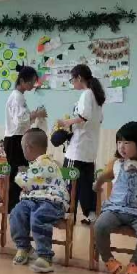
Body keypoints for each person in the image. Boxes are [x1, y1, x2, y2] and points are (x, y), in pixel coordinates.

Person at [93, 122, 137, 274]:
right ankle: (108, 259)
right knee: (100, 226)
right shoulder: (116, 164)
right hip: (115, 209)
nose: (121, 146)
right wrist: (97, 185)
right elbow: (104, 176)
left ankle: (136, 263)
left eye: (127, 142)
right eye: (119, 142)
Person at [10, 128, 70, 274]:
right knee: (17, 212)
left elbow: (26, 181)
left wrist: (20, 175)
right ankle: (23, 246)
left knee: (39, 216)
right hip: (35, 199)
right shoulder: (36, 164)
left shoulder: (45, 163)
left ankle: (45, 256)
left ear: (28, 147)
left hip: (52, 201)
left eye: (23, 149)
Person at [58, 64, 105, 225]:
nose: (72, 83)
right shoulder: (96, 96)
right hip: (90, 149)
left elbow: (84, 116)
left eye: (72, 79)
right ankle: (91, 214)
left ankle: (67, 214)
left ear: (79, 78)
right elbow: (97, 119)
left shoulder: (86, 94)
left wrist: (66, 122)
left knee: (69, 183)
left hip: (77, 150)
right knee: (87, 185)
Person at [4, 65, 47, 213]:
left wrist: (34, 115)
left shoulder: (19, 96)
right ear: (22, 81)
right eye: (31, 82)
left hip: (17, 137)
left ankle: (17, 206)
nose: (33, 85)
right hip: (14, 139)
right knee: (17, 174)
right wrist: (37, 114)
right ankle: (13, 208)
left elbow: (23, 120)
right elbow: (20, 120)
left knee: (21, 173)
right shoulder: (17, 96)